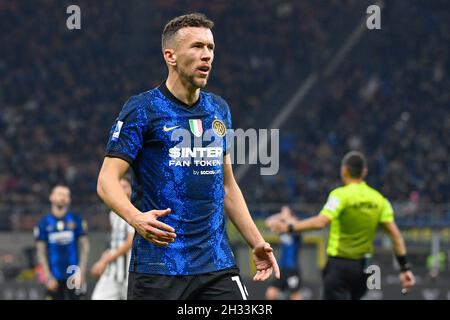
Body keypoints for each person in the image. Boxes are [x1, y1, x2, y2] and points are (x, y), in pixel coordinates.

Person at [97, 13, 280, 300]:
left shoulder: (219, 110)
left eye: (210, 48)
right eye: (197, 47)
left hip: (216, 265)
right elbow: (106, 180)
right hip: (158, 268)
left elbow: (228, 185)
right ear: (170, 56)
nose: (207, 55)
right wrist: (136, 218)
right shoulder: (142, 109)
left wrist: (257, 242)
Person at [267, 151, 415, 300]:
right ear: (364, 172)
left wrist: (289, 228)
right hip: (364, 268)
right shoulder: (380, 200)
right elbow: (396, 236)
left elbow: (321, 222)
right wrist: (405, 269)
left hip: (339, 266)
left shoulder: (340, 195)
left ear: (344, 170)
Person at [34, 185, 89, 300]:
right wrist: (47, 276)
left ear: (69, 199)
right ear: (51, 197)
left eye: (66, 195)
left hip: (73, 276)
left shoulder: (76, 220)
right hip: (53, 277)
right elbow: (40, 252)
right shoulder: (43, 223)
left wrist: (81, 272)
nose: (63, 197)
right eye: (59, 194)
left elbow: (85, 247)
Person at [90, 176, 135, 300]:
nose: (121, 190)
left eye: (125, 187)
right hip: (112, 272)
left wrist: (107, 259)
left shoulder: (135, 211)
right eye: (119, 187)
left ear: (131, 190)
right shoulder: (113, 214)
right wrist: (104, 257)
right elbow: (116, 242)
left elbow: (131, 241)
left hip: (128, 272)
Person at [265, 206, 303, 300]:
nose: (282, 215)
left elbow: (293, 223)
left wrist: (287, 217)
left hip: (292, 268)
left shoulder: (296, 226)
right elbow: (268, 222)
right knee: (270, 294)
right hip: (282, 268)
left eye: (285, 212)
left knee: (295, 295)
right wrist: (281, 215)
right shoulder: (282, 229)